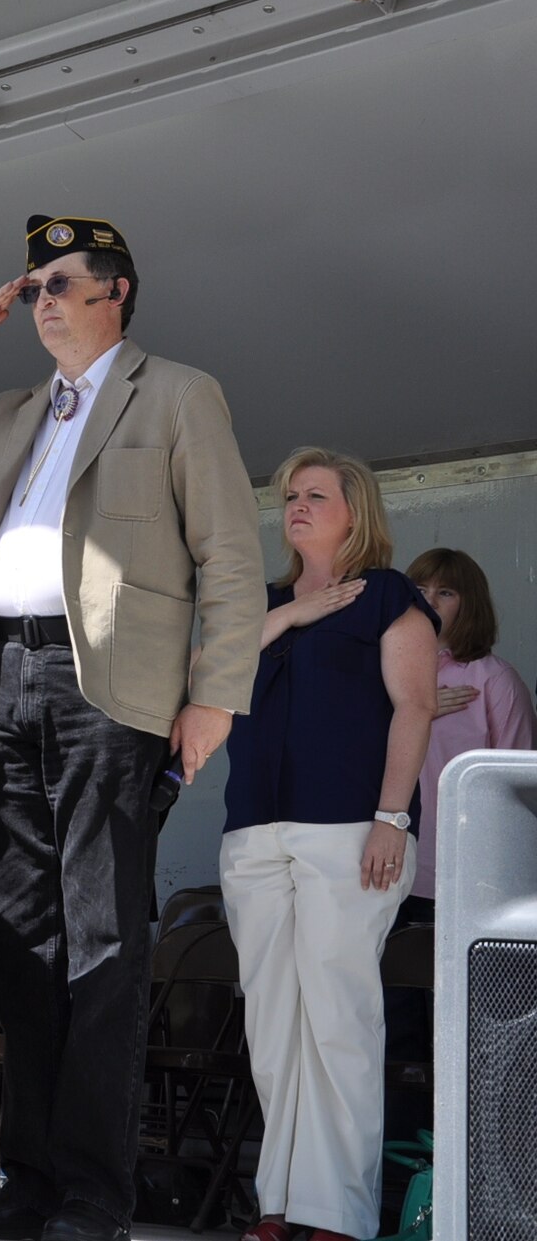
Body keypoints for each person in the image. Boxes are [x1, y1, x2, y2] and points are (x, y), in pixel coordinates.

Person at [0, 215, 265, 1241]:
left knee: (101, 940)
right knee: (10, 940)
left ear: (114, 292)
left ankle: (93, 1192)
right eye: (30, 287)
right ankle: (30, 1173)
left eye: (58, 283)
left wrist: (213, 691)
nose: (38, 300)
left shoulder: (176, 392)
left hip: (106, 687)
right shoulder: (3, 410)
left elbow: (224, 549)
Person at [219, 448, 439, 1241]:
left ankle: (335, 1214)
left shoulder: (386, 594)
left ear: (357, 510)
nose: (298, 506)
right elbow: (211, 677)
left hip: (349, 828)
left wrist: (394, 816)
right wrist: (290, 618)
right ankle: (278, 1203)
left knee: (338, 1020)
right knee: (273, 1026)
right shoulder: (266, 601)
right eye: (289, 496)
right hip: (254, 832)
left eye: (317, 493)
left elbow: (414, 705)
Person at [402, 547, 537, 909]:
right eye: (420, 588)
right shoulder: (385, 676)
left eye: (445, 592)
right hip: (382, 862)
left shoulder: (496, 679)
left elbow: (519, 791)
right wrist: (412, 713)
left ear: (469, 604)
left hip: (465, 870)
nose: (429, 600)